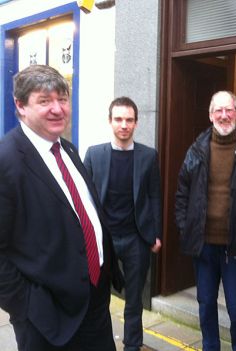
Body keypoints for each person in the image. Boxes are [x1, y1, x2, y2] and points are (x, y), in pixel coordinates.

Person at [0, 64, 123, 350]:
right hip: (47, 319)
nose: (58, 109)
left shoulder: (67, 149)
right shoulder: (6, 161)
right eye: (44, 101)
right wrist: (26, 306)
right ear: (20, 105)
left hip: (95, 301)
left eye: (62, 99)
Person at [175, 91, 236, 351]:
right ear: (210, 115)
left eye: (229, 110)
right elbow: (182, 192)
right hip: (204, 246)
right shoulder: (197, 150)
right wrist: (186, 227)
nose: (224, 115)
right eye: (219, 110)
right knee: (205, 304)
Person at [84, 96, 162, 351]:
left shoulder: (148, 156)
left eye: (129, 120)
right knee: (98, 296)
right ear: (110, 121)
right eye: (118, 119)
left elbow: (154, 196)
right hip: (103, 238)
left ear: (136, 123)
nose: (124, 125)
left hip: (136, 238)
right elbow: (83, 197)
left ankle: (132, 345)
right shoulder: (94, 154)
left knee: (134, 299)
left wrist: (155, 234)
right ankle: (100, 342)